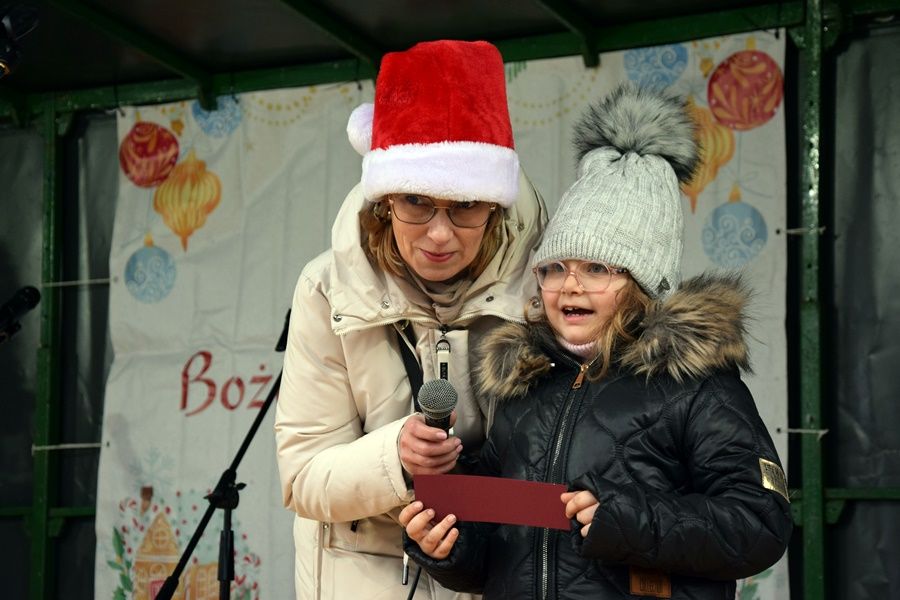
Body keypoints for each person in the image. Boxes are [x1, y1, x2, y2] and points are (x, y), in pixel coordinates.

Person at [400, 84, 793, 599]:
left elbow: (760, 523)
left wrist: (627, 519)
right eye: (555, 267)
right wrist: (446, 546)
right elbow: (498, 558)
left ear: (644, 284)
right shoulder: (523, 384)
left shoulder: (697, 385)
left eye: (597, 268)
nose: (570, 284)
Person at [274, 39, 547, 599]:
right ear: (384, 201)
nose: (440, 234)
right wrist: (393, 456)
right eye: (417, 203)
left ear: (495, 205)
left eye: (466, 205)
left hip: (496, 574)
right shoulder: (327, 290)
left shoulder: (546, 288)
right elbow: (303, 477)